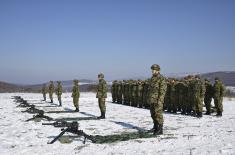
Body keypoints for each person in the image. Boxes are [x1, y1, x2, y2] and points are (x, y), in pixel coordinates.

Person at [148, 64, 167, 135]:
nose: (152, 71)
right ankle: (155, 127)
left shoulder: (161, 78)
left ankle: (160, 129)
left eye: (154, 70)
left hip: (158, 100)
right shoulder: (152, 78)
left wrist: (160, 100)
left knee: (158, 114)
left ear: (158, 70)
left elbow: (163, 91)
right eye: (152, 70)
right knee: (153, 114)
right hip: (152, 99)